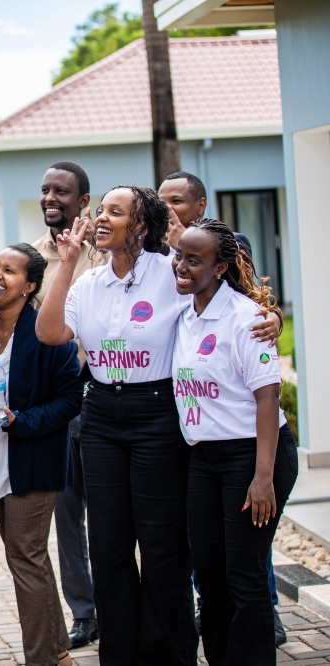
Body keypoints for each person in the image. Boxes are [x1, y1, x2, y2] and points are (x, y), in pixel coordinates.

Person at [35, 186, 280, 665]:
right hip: (103, 413)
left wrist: (269, 316)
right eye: (100, 210)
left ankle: (170, 655)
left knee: (162, 544)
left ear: (141, 225)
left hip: (158, 413)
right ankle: (121, 655)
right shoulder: (87, 283)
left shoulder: (170, 272)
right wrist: (65, 263)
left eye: (114, 212)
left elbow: (229, 300)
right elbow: (50, 333)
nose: (101, 218)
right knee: (107, 545)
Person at [173, 219, 297, 665]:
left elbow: (268, 398)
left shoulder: (246, 319)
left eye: (194, 260)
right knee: (210, 575)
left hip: (254, 454)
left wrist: (263, 478)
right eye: (179, 256)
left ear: (221, 267)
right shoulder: (184, 314)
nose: (180, 267)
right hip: (204, 458)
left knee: (244, 575)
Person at [0, 243, 82, 666]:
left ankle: (40, 659)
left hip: (31, 464)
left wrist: (23, 421)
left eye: (9, 271)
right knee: (30, 560)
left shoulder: (47, 331)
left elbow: (72, 398)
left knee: (25, 560)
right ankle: (58, 653)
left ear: (30, 285)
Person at [31, 162, 105, 649]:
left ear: (84, 201)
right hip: (56, 405)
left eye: (61, 191)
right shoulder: (36, 255)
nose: (50, 198)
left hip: (97, 396)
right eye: (45, 190)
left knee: (110, 515)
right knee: (65, 517)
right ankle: (85, 612)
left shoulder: (103, 254)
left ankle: (121, 604)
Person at [158, 171, 207, 249]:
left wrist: (185, 244)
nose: (166, 207)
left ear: (201, 206)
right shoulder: (152, 250)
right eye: (161, 202)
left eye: (176, 201)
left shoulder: (227, 244)